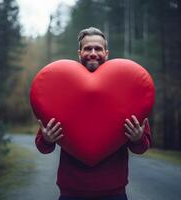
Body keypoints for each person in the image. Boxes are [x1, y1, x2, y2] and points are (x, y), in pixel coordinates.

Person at [35, 27, 151, 200]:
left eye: (98, 48)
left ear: (106, 53)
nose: (93, 53)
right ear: (79, 52)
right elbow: (43, 146)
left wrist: (137, 139)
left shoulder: (125, 87)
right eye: (88, 48)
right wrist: (47, 139)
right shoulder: (63, 86)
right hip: (71, 193)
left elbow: (142, 147)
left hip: (114, 193)